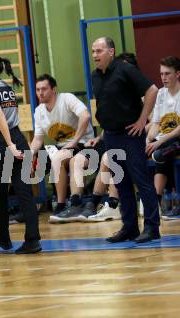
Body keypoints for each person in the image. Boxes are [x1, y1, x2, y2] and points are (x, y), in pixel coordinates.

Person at [91, 37, 160, 243]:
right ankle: (129, 228)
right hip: (111, 136)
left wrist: (141, 121)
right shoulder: (95, 76)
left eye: (99, 51)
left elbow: (152, 90)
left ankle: (152, 227)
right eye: (93, 51)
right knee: (121, 183)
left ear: (111, 52)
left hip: (130, 135)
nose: (95, 55)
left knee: (142, 181)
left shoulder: (125, 70)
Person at [0, 52, 41, 254]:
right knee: (25, 193)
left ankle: (3, 238)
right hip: (19, 138)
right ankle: (33, 240)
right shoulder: (7, 88)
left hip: (2, 143)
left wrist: (9, 144)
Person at [30, 74, 96, 223]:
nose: (40, 92)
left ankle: (66, 204)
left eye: (44, 89)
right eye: (38, 89)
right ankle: (26, 207)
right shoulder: (39, 111)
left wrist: (75, 141)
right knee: (20, 161)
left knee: (59, 158)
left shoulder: (66, 99)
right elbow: (38, 139)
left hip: (83, 144)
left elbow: (85, 116)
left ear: (54, 89)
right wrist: (29, 156)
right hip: (61, 147)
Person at [145, 56, 180, 216]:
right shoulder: (160, 94)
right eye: (161, 74)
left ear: (177, 74)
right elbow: (156, 123)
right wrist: (148, 140)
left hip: (176, 137)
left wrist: (159, 142)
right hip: (165, 141)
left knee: (161, 151)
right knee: (159, 154)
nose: (163, 78)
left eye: (167, 74)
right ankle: (155, 204)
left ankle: (155, 201)